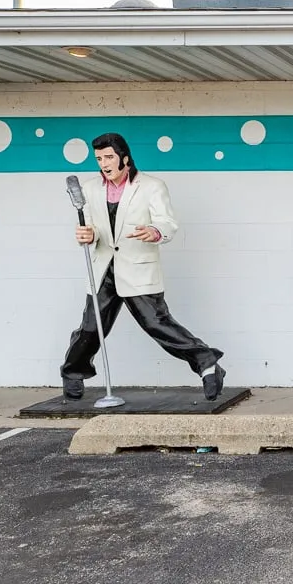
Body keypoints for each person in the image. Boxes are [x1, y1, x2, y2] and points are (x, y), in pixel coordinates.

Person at [60, 132, 227, 401]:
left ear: (124, 158)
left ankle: (207, 364)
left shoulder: (152, 186)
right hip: (104, 269)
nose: (104, 163)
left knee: (157, 323)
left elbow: (168, 222)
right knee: (91, 328)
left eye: (109, 157)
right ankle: (73, 372)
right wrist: (88, 235)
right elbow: (92, 228)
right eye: (99, 158)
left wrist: (155, 231)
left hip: (137, 267)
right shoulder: (89, 189)